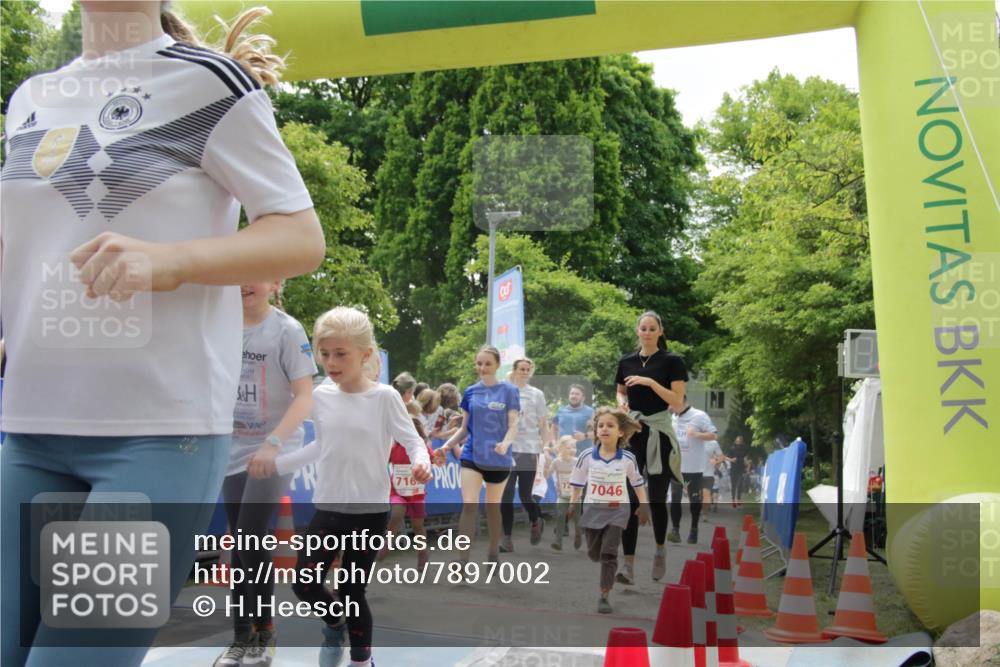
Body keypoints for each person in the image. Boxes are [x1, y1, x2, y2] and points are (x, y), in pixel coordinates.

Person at [0, 4, 324, 666]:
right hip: (30, 429)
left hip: (156, 437)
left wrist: (169, 261)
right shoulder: (31, 98)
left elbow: (300, 236)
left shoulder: (212, 83)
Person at [267, 306, 432, 667]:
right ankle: (334, 622)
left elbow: (413, 440)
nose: (331, 362)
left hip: (370, 514)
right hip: (328, 510)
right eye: (324, 354)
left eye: (341, 353)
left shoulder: (385, 397)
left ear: (366, 354)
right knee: (303, 584)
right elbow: (318, 445)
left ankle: (361, 660)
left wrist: (422, 462)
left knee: (352, 591)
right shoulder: (321, 396)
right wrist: (277, 463)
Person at [213, 281, 316, 667]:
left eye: (257, 274)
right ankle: (249, 635)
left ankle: (255, 635)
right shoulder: (219, 324)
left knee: (247, 541)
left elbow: (304, 395)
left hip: (274, 451)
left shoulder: (286, 330)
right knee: (243, 544)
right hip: (231, 451)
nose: (245, 283)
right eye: (238, 273)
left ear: (275, 283)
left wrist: (273, 443)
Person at [614, 311, 688, 583]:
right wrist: (622, 402)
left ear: (660, 331)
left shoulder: (672, 362)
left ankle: (659, 550)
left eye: (651, 328)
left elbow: (678, 402)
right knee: (629, 499)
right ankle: (628, 564)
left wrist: (650, 382)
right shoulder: (626, 361)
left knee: (656, 498)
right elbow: (621, 390)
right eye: (642, 328)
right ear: (637, 331)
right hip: (634, 432)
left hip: (660, 433)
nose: (646, 332)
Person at [437, 346, 519, 568]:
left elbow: (514, 426)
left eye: (488, 364)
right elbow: (463, 428)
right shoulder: (471, 391)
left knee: (493, 508)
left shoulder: (510, 391)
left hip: (498, 458)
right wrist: (445, 447)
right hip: (472, 454)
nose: (482, 368)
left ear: (497, 365)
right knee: (469, 505)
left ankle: (493, 552)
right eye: (479, 363)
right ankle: (462, 560)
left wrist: (506, 443)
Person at [567, 408, 650, 614]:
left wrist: (643, 505)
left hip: (618, 511)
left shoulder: (628, 459)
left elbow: (638, 484)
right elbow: (577, 485)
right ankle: (599, 558)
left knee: (609, 552)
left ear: (621, 432)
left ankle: (604, 594)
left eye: (610, 425)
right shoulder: (586, 457)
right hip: (592, 511)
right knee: (594, 553)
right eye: (601, 425)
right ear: (596, 431)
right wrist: (572, 504)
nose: (604, 429)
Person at [500, 359, 549, 552]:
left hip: (529, 449)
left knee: (525, 495)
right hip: (509, 448)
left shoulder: (537, 394)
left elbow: (543, 424)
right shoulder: (504, 391)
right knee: (507, 494)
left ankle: (535, 520)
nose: (525, 372)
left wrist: (545, 448)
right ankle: (507, 538)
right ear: (514, 370)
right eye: (521, 369)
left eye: (528, 370)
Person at [379, 401, 435, 567]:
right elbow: (381, 460)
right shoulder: (393, 447)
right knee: (396, 514)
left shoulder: (420, 446)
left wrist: (437, 458)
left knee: (418, 526)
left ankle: (422, 551)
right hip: (397, 491)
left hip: (416, 493)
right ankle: (387, 543)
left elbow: (432, 460)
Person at [669, 403, 717, 544]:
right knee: (675, 499)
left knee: (694, 500)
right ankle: (675, 530)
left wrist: (696, 434)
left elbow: (714, 435)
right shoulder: (673, 418)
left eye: (672, 402)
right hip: (677, 468)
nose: (670, 405)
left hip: (695, 468)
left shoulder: (699, 415)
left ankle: (694, 528)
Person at [547, 435, 582, 550]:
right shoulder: (556, 462)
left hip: (575, 496)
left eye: (574, 447)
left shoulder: (577, 462)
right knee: (561, 516)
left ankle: (578, 535)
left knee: (577, 519)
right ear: (561, 448)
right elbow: (546, 475)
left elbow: (583, 477)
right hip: (562, 496)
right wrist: (547, 464)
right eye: (569, 447)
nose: (572, 450)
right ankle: (558, 541)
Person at [553, 384, 595, 456]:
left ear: (583, 398)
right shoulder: (561, 410)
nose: (574, 396)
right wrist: (555, 443)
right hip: (563, 455)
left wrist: (585, 436)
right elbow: (554, 428)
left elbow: (597, 433)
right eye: (572, 393)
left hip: (584, 455)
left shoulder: (591, 412)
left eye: (577, 394)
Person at [703, 437, 724, 517]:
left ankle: (714, 505)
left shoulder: (716, 454)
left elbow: (720, 462)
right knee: (707, 494)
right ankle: (707, 507)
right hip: (705, 474)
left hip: (714, 476)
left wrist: (716, 463)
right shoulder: (706, 452)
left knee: (714, 493)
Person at [729, 435, 750, 507]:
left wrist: (747, 463)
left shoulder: (744, 449)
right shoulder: (732, 448)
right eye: (737, 441)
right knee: (733, 485)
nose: (738, 442)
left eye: (740, 441)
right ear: (735, 441)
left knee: (740, 484)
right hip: (733, 468)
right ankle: (733, 500)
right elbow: (728, 457)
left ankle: (738, 499)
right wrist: (731, 459)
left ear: (742, 442)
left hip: (741, 468)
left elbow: (746, 457)